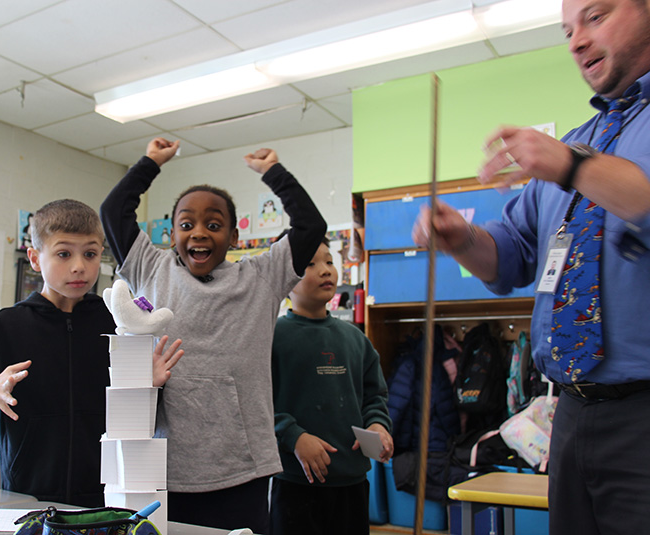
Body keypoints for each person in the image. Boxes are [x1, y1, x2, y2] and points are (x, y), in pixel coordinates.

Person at [412, 1, 650, 533]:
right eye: (567, 29)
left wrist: (571, 166)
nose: (577, 41)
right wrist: (461, 238)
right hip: (570, 414)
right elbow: (511, 256)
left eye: (597, 16)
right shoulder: (578, 146)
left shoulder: (571, 158)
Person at [101, 137, 327, 533]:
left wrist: (274, 173)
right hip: (165, 466)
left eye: (214, 224)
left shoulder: (262, 276)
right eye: (186, 224)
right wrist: (151, 162)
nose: (199, 233)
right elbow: (113, 210)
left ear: (235, 237)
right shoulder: (150, 268)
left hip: (244, 468)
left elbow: (311, 226)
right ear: (171, 235)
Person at [0, 199, 183, 507]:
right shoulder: (4, 326)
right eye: (63, 254)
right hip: (28, 495)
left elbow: (134, 418)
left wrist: (146, 385)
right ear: (34, 258)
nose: (79, 266)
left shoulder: (116, 322)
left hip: (103, 496)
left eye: (90, 254)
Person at [269, 235, 393, 535]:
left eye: (329, 261)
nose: (326, 270)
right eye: (311, 264)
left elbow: (374, 396)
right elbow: (256, 402)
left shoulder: (355, 339)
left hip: (351, 481)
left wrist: (377, 424)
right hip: (296, 482)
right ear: (285, 278)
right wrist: (294, 436)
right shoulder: (272, 337)